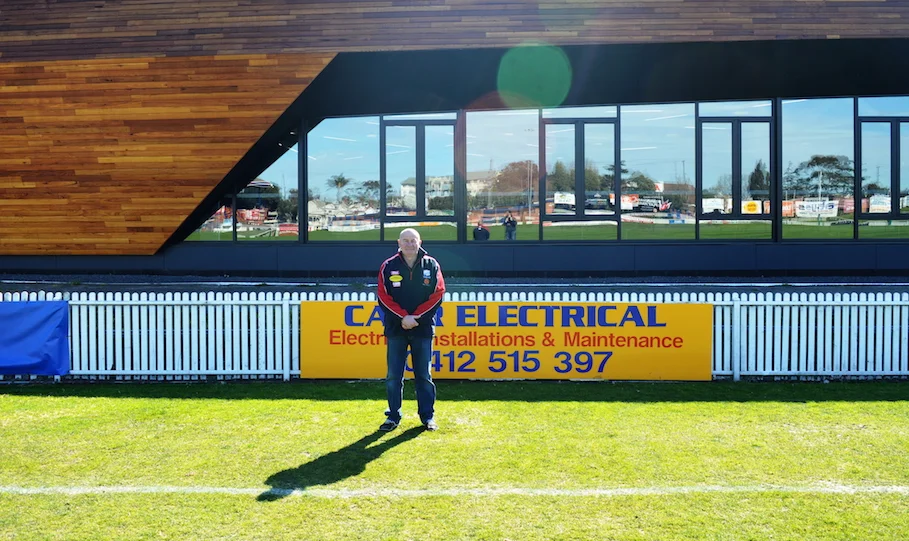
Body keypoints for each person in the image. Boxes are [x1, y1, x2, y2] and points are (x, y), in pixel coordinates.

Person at [376, 228, 446, 432]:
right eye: (405, 240)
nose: (409, 244)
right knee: (393, 376)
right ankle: (393, 417)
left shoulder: (431, 264)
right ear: (399, 242)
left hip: (422, 329)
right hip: (396, 329)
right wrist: (403, 317)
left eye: (412, 240)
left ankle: (427, 417)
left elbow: (438, 294)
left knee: (424, 375)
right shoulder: (388, 266)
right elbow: (383, 296)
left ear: (419, 241)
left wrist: (416, 318)